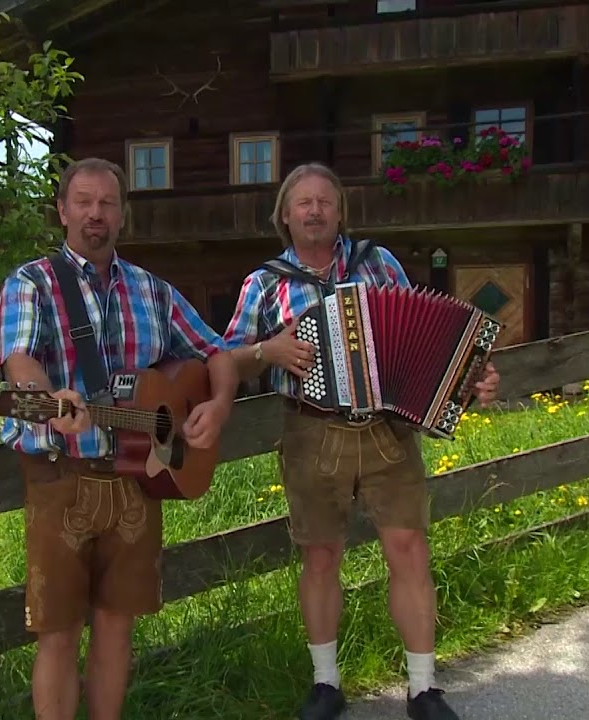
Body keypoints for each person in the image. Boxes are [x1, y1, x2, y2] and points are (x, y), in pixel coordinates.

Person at [222, 162, 500, 720]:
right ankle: (326, 684)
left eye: (326, 201)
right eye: (304, 203)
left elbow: (435, 344)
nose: (316, 210)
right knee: (321, 557)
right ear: (285, 215)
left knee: (409, 550)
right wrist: (267, 352)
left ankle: (424, 689)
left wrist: (474, 381)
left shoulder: (379, 263)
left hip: (387, 430)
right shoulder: (265, 283)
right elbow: (224, 358)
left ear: (341, 211)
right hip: (310, 431)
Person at [0, 156, 239, 720]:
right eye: (82, 201)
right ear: (62, 211)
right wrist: (51, 398)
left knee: (115, 623)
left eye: (107, 203)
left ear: (123, 215)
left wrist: (219, 404)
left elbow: (215, 351)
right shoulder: (31, 283)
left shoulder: (151, 291)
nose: (95, 214)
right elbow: (18, 362)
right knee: (57, 630)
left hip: (139, 479)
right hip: (61, 475)